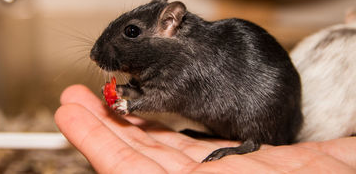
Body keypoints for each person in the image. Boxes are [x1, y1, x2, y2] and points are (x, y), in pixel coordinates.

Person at [55, 84, 356, 173]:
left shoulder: (184, 68)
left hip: (260, 121)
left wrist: (132, 106)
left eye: (132, 34)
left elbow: (174, 96)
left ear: (170, 24)